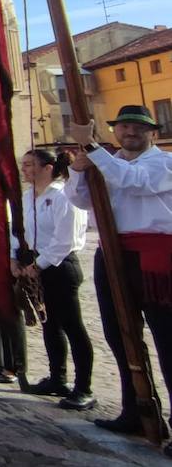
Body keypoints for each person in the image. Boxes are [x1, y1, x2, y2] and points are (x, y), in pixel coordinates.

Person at [67, 105, 172, 443]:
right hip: (112, 254)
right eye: (125, 126)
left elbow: (134, 182)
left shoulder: (163, 162)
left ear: (152, 133)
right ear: (115, 131)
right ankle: (136, 410)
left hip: (154, 259)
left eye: (139, 128)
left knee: (167, 340)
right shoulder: (108, 163)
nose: (131, 133)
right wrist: (80, 170)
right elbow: (80, 201)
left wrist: (94, 150)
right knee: (120, 334)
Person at [12, 148, 95, 411]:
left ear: (48, 167)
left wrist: (40, 264)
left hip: (59, 265)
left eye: (29, 165)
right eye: (23, 165)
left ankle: (84, 387)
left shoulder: (63, 195)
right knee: (50, 324)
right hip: (33, 263)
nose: (24, 169)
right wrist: (15, 257)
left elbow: (66, 239)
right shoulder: (27, 196)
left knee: (73, 326)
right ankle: (57, 378)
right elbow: (17, 229)